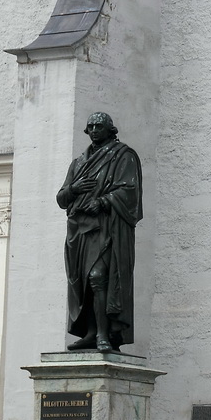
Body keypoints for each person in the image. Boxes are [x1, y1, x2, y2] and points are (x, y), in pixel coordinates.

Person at [56, 112, 142, 353]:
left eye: (99, 126)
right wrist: (73, 188)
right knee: (83, 284)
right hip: (79, 231)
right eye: (90, 126)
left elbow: (130, 191)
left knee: (97, 276)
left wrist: (104, 202)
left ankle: (105, 334)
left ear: (109, 129)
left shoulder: (123, 156)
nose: (94, 130)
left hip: (107, 228)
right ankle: (91, 332)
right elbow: (61, 199)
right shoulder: (79, 163)